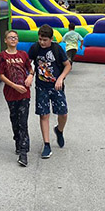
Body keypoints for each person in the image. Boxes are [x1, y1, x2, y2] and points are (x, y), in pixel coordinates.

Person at [28, 24, 71, 159]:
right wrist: (30, 74)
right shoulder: (35, 48)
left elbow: (67, 65)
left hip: (56, 86)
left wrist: (61, 78)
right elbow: (30, 63)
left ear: (51, 39)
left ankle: (59, 130)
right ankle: (46, 144)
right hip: (41, 86)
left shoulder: (56, 49)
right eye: (40, 39)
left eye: (45, 40)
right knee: (44, 115)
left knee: (63, 113)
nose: (42, 42)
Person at [0, 30, 33, 167]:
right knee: (14, 119)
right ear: (5, 40)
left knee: (23, 121)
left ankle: (24, 152)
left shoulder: (23, 54)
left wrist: (30, 77)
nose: (13, 39)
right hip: (11, 93)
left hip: (24, 93)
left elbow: (30, 69)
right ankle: (17, 139)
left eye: (15, 38)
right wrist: (14, 86)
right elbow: (1, 75)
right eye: (10, 37)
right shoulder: (2, 56)